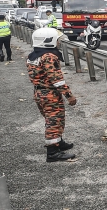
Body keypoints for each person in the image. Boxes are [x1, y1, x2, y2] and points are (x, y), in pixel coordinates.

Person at [27, 28, 77, 161]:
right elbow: (56, 79)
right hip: (49, 94)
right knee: (54, 121)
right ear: (48, 41)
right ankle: (53, 152)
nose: (59, 43)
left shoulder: (34, 56)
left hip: (39, 92)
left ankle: (58, 142)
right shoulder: (49, 56)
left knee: (52, 119)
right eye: (57, 40)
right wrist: (69, 95)